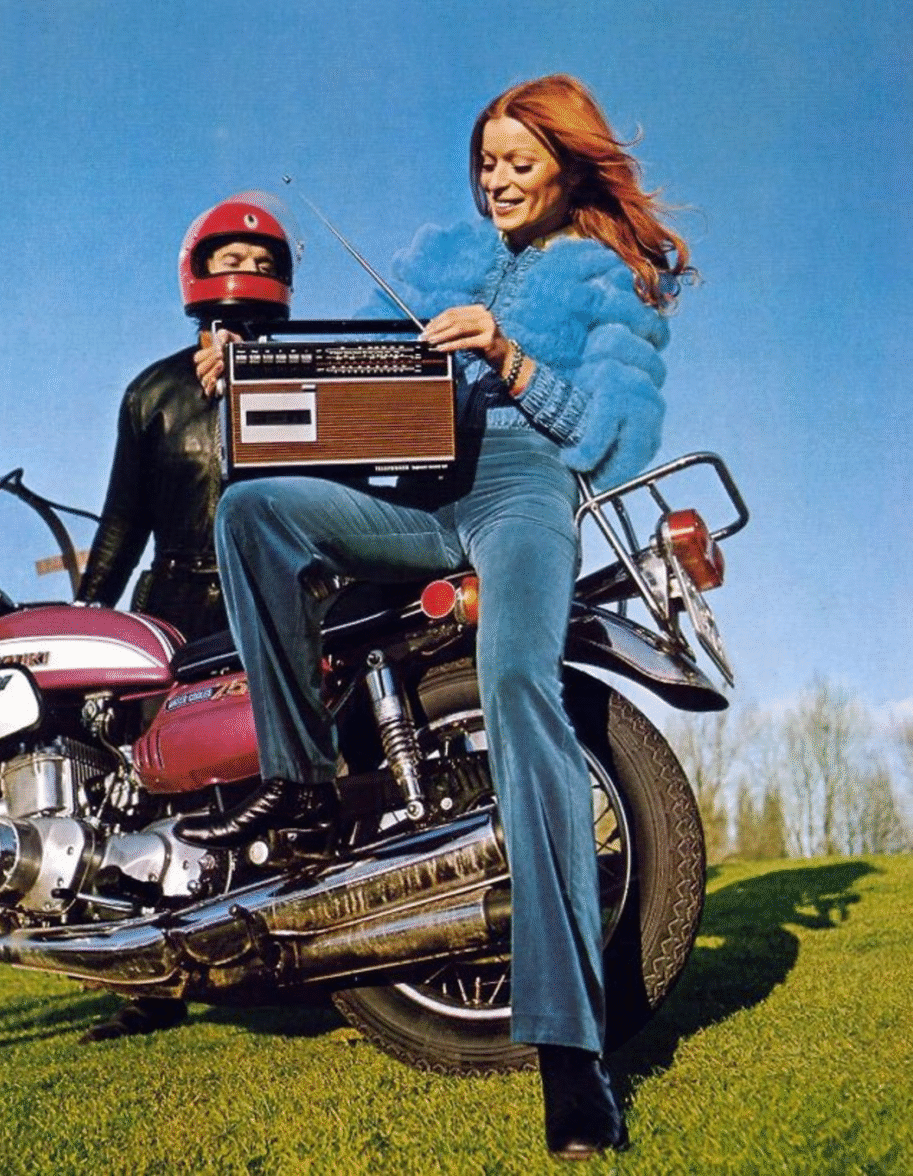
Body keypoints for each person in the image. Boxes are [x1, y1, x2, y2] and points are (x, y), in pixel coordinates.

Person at [179, 75, 693, 1157]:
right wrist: (243, 372)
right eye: (486, 162)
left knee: (519, 690)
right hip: (410, 485)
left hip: (522, 489)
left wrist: (507, 357)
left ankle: (570, 1055)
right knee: (254, 509)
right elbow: (333, 375)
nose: (498, 181)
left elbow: (613, 438)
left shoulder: (615, 281)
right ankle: (303, 785)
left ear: (566, 162)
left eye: (520, 161)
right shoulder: (432, 257)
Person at [76, 192, 296, 1042]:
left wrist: (256, 387)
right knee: (144, 788)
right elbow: (121, 518)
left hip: (271, 590)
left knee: (264, 773)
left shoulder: (308, 371)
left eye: (262, 262)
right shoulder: (152, 392)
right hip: (169, 605)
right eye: (229, 261)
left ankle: (283, 944)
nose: (245, 275)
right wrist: (90, 611)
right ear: (196, 273)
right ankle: (151, 984)